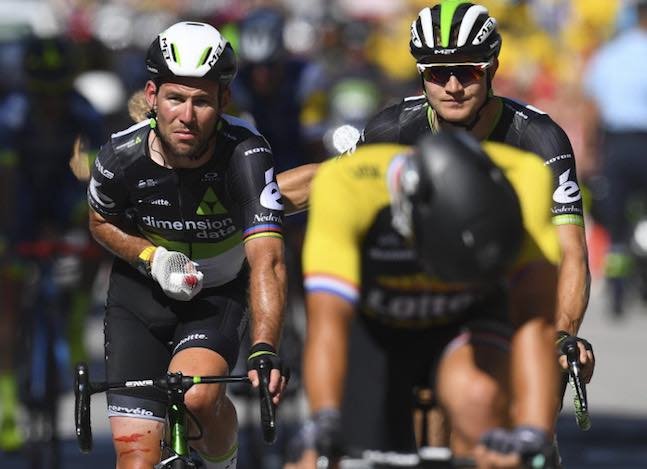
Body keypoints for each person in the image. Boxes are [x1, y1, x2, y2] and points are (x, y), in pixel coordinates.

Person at [359, 0, 594, 399]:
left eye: (467, 72)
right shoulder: (391, 130)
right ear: (421, 76)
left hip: (515, 287)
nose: (452, 87)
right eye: (438, 73)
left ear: (493, 70)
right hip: (428, 295)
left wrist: (563, 332)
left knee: (526, 422)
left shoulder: (539, 138)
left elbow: (570, 252)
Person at [86, 21, 289, 469]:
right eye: (176, 98)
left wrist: (264, 347)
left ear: (223, 101)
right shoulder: (119, 157)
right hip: (141, 296)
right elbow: (100, 221)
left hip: (215, 297)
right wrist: (152, 257)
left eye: (202, 101)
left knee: (197, 397)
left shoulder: (247, 153)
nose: (187, 115)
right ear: (152, 95)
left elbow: (267, 260)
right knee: (136, 458)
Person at [297, 131, 561, 468]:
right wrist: (324, 422)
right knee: (318, 459)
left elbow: (534, 319)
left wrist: (533, 435)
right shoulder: (346, 186)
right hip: (375, 330)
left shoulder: (526, 178)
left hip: (467, 319)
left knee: (480, 400)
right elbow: (328, 320)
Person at [0, 34, 105, 452]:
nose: (49, 103)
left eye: (56, 92)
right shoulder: (11, 114)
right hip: (17, 202)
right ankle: (6, 406)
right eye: (41, 92)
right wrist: (10, 239)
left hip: (66, 198)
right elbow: (5, 182)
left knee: (97, 237)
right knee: (7, 304)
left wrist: (82, 228)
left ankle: (77, 314)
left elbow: (95, 181)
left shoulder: (85, 114)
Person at [580, 0, 647, 314]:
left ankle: (619, 291)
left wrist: (592, 150)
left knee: (616, 222)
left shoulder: (611, 54)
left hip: (617, 145)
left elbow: (593, 107)